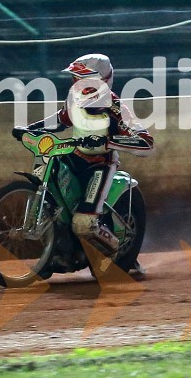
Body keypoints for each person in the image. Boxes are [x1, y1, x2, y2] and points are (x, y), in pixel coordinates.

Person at [14, 54, 154, 256]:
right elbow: (62, 120)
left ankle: (113, 248)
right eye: (76, 78)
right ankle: (56, 252)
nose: (77, 84)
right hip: (73, 156)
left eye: (83, 79)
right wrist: (30, 129)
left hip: (100, 165)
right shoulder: (74, 98)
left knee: (83, 223)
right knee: (51, 192)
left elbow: (146, 143)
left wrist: (107, 142)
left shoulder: (115, 108)